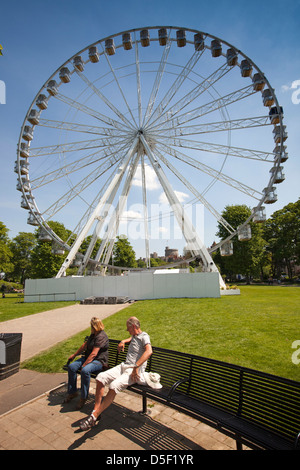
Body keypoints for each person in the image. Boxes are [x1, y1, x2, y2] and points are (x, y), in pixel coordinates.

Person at [79, 316, 152, 431]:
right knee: (100, 377)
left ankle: (93, 417)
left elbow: (149, 351)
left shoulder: (145, 336)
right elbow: (132, 338)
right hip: (124, 366)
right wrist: (123, 341)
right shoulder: (134, 336)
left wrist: (136, 366)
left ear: (133, 326)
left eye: (128, 328)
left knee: (113, 386)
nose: (127, 330)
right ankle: (96, 411)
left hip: (133, 371)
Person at [64, 317, 109, 409]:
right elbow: (84, 345)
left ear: (95, 326)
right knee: (72, 367)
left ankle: (84, 397)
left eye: (91, 326)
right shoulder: (93, 334)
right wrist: (74, 354)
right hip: (88, 358)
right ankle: (73, 392)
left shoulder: (101, 336)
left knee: (85, 371)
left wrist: (84, 365)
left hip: (99, 361)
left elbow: (94, 354)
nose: (91, 328)